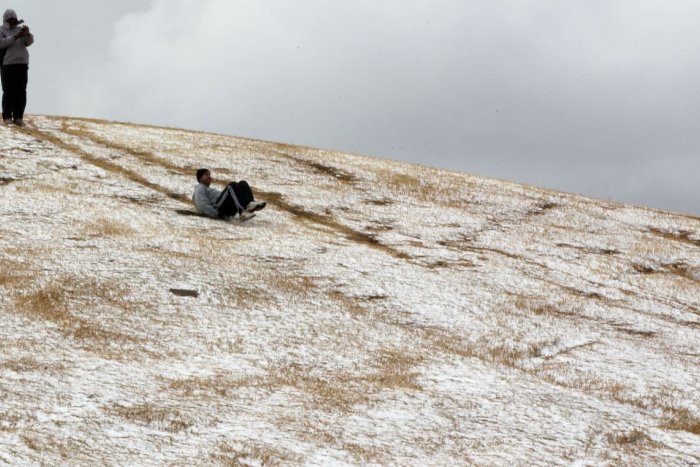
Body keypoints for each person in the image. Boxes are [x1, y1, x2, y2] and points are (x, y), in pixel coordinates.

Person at [192, 168, 266, 222]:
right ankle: (242, 212)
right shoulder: (200, 187)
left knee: (242, 183)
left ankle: (250, 205)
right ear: (200, 178)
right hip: (217, 210)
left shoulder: (208, 189)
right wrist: (215, 215)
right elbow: (202, 204)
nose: (209, 176)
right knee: (231, 186)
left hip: (224, 210)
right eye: (206, 175)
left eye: (209, 174)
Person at [0, 9, 33, 126]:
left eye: (15, 18)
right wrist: (15, 37)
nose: (14, 21)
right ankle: (7, 116)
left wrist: (27, 34)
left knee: (21, 92)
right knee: (8, 91)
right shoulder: (1, 30)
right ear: (6, 20)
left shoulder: (20, 29)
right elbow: (1, 43)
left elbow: (29, 42)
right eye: (11, 19)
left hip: (22, 64)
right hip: (7, 64)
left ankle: (18, 117)